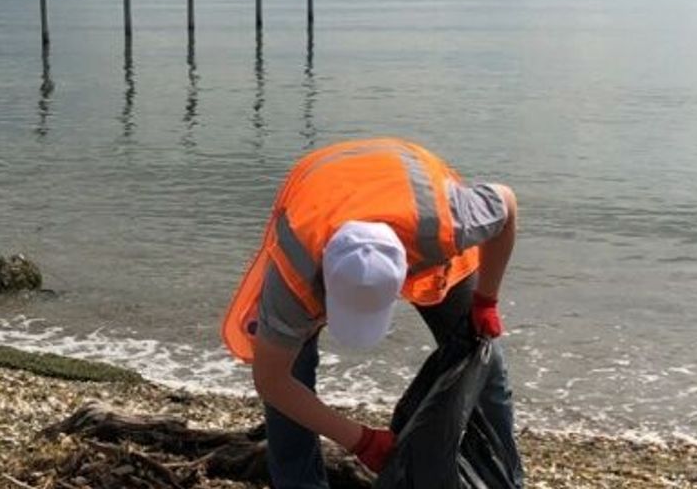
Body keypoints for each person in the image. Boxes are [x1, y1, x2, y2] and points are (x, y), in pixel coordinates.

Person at [222, 138, 523, 488]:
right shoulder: (293, 272)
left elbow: (508, 204)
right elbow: (271, 381)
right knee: (291, 375)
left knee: (481, 353)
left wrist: (486, 300)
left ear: (402, 276)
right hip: (319, 186)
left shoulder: (445, 224)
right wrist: (360, 439)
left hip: (406, 187)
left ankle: (504, 480)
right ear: (325, 288)